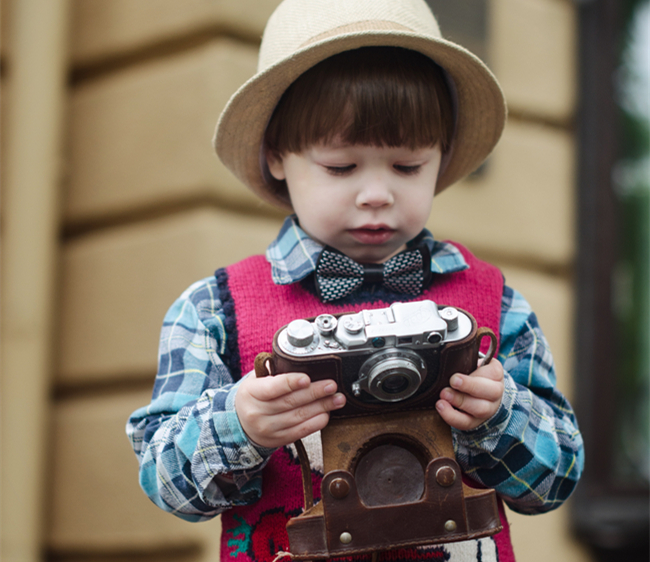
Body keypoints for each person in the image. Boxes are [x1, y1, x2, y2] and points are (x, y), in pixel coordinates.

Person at [126, 1, 584, 561]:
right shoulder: (213, 310)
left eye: (408, 167)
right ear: (276, 155)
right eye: (341, 167)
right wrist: (239, 422)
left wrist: (501, 413)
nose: (376, 193)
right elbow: (164, 484)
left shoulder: (496, 304)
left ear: (441, 158)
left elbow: (555, 482)